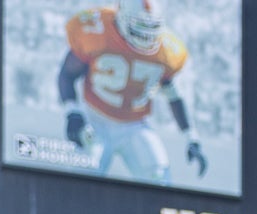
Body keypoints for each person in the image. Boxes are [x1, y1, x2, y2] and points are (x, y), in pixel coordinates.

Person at [57, 1, 207, 187]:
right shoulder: (96, 30)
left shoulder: (167, 50)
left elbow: (173, 95)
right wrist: (73, 112)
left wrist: (191, 137)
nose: (147, 34)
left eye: (152, 26)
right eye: (141, 25)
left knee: (160, 180)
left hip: (134, 125)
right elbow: (67, 74)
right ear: (121, 17)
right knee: (81, 183)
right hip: (94, 119)